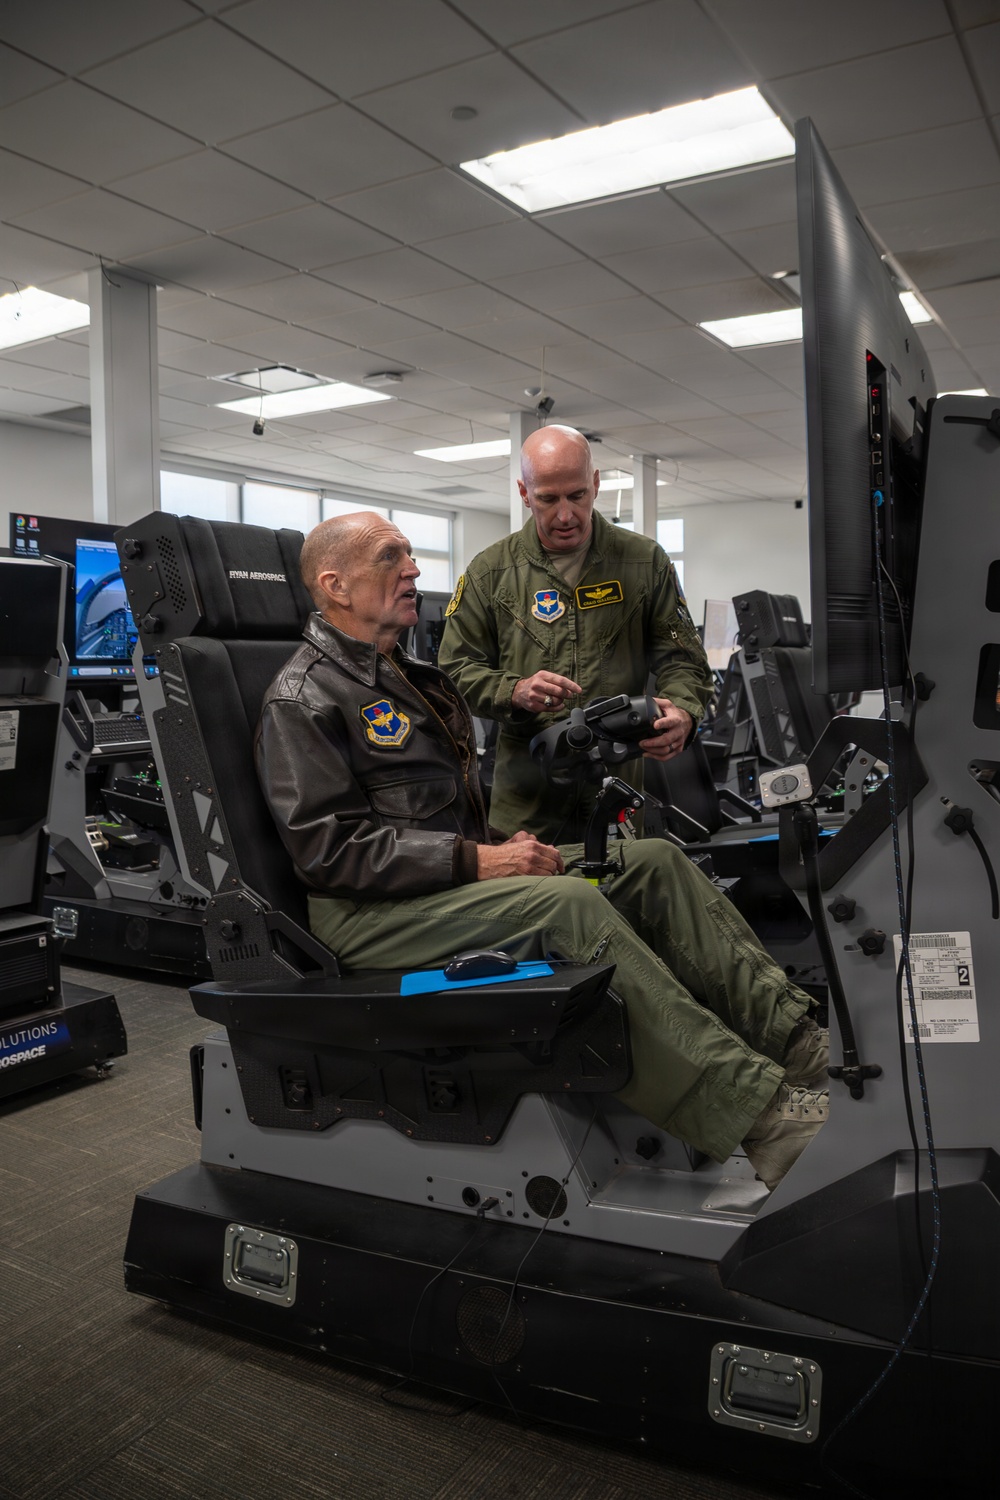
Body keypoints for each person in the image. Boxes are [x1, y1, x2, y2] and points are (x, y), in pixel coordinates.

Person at [254, 512, 829, 1191]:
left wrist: (498, 848)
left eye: (410, 553)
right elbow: (330, 853)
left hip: (437, 888)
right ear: (336, 586)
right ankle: (761, 1117)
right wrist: (482, 863)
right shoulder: (300, 698)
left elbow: (437, 816)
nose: (412, 568)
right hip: (366, 915)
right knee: (567, 909)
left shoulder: (410, 676)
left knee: (650, 862)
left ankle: (796, 1046)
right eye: (392, 557)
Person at [437, 425, 715, 841]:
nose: (565, 515)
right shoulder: (490, 572)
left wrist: (683, 714)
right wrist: (513, 690)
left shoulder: (643, 562)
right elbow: (454, 671)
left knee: (620, 894)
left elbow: (683, 661)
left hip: (618, 787)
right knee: (531, 902)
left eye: (577, 495)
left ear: (596, 483)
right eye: (548, 499)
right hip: (528, 798)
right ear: (524, 493)